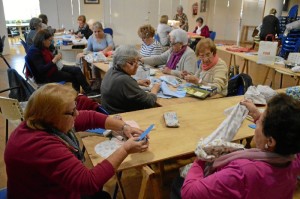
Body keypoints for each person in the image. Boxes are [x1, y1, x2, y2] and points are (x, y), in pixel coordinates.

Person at [4, 83, 149, 199]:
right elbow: (89, 182)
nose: (77, 113)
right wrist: (125, 149)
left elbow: (90, 117)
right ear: (52, 116)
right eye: (72, 112)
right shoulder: (39, 146)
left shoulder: (41, 121)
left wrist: (124, 127)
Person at [180, 93, 300, 199]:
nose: (257, 122)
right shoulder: (293, 159)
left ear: (270, 141)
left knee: (178, 184)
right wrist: (257, 115)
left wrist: (201, 157)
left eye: (261, 121)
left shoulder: (243, 172)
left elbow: (189, 193)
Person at [26, 29, 94, 95]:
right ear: (43, 40)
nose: (50, 42)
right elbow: (41, 70)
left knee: (77, 70)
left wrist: (55, 58)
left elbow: (49, 56)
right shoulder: (34, 51)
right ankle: (81, 94)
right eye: (49, 40)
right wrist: (54, 61)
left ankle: (86, 92)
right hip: (46, 76)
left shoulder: (42, 47)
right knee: (73, 76)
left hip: (54, 68)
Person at [101, 45, 161, 114]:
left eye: (137, 61)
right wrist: (154, 90)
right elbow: (149, 102)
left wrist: (137, 82)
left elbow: (119, 85)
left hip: (110, 112)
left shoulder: (112, 70)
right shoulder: (124, 80)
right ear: (121, 62)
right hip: (123, 117)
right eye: (131, 63)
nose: (137, 65)